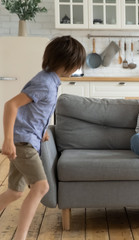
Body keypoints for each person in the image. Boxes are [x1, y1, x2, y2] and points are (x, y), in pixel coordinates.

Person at [0, 35, 86, 240]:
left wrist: (42, 130)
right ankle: (20, 237)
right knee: (41, 187)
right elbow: (11, 105)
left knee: (15, 192)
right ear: (68, 63)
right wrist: (8, 140)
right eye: (76, 64)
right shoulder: (45, 83)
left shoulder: (49, 80)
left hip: (29, 138)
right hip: (22, 143)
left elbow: (35, 109)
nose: (77, 68)